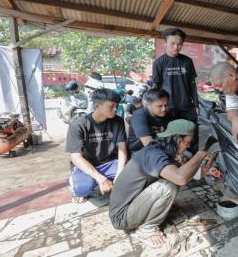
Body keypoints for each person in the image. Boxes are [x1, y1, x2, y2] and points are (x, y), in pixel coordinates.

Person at [109, 119, 208, 248]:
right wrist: (200, 154)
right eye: (187, 142)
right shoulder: (155, 155)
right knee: (168, 186)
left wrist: (205, 169)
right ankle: (146, 229)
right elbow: (180, 178)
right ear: (177, 140)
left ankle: (146, 214)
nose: (188, 146)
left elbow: (186, 174)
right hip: (122, 217)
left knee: (171, 180)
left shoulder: (159, 149)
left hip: (128, 207)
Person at [66, 88, 128, 203]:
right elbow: (75, 157)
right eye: (111, 106)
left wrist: (120, 172)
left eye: (117, 105)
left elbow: (122, 148)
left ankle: (106, 178)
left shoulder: (118, 121)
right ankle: (75, 181)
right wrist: (102, 179)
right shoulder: (78, 124)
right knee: (82, 189)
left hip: (109, 163)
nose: (115, 109)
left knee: (130, 177)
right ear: (97, 106)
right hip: (86, 165)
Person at [152, 28, 199, 153]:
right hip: (168, 108)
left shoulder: (187, 61)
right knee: (172, 139)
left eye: (179, 44)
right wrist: (154, 106)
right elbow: (156, 86)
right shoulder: (159, 63)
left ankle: (191, 161)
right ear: (165, 43)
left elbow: (192, 84)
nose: (176, 47)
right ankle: (173, 163)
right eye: (172, 43)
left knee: (191, 137)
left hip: (187, 106)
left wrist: (196, 104)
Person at [127, 88, 172, 153]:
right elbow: (149, 144)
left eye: (166, 105)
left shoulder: (167, 114)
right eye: (160, 106)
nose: (164, 109)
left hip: (162, 148)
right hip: (140, 152)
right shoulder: (139, 115)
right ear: (148, 105)